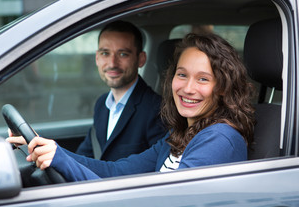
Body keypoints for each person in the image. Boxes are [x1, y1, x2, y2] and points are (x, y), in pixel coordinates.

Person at [23, 33, 256, 182]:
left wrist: (60, 160)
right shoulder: (180, 135)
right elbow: (114, 171)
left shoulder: (218, 138)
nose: (188, 88)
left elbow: (168, 203)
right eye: (182, 75)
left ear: (223, 87)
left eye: (203, 79)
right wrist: (53, 151)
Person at [7, 20, 167, 161]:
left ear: (141, 59)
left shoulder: (157, 111)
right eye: (105, 53)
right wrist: (39, 144)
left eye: (123, 54)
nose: (112, 63)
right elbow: (84, 157)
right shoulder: (102, 105)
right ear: (97, 58)